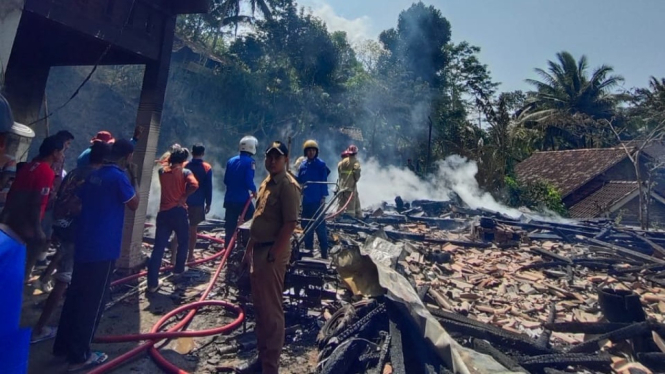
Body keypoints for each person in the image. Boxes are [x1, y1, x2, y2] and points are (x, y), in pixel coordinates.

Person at [53, 139, 139, 371]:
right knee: (93, 303)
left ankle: (61, 347)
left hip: (84, 243)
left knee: (75, 297)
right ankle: (80, 356)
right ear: (128, 157)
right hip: (103, 248)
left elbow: (79, 202)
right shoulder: (119, 177)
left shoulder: (93, 174)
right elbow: (134, 204)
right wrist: (134, 178)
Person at [31, 142, 111, 343]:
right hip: (76, 232)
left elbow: (59, 197)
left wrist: (58, 224)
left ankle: (58, 319)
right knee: (64, 280)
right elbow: (81, 206)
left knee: (68, 276)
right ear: (105, 160)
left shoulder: (75, 172)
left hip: (62, 226)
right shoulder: (94, 178)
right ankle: (40, 328)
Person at [237, 141, 300, 374]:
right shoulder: (266, 183)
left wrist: (274, 253)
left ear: (285, 160)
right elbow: (259, 220)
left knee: (272, 313)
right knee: (261, 309)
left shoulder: (287, 186)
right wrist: (248, 251)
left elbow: (290, 223)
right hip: (259, 250)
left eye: (277, 157)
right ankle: (261, 361)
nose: (272, 161)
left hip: (273, 252)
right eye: (269, 157)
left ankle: (270, 367)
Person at [0, 136, 65, 281]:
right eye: (61, 152)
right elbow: (36, 201)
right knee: (24, 264)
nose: (62, 156)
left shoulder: (29, 166)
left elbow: (16, 194)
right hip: (26, 226)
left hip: (12, 220)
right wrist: (37, 229)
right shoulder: (46, 172)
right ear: (54, 152)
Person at [147, 145, 199, 292]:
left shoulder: (161, 171)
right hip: (178, 211)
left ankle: (152, 284)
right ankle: (178, 271)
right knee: (183, 241)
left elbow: (165, 167)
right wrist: (184, 196)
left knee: (158, 247)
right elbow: (194, 185)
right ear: (183, 160)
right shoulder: (185, 172)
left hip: (163, 213)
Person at [296, 140, 330, 259]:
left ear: (316, 152)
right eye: (309, 150)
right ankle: (308, 252)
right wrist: (289, 174)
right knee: (307, 226)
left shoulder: (321, 165)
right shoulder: (303, 165)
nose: (311, 152)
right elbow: (299, 180)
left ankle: (324, 253)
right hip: (306, 201)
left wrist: (323, 197)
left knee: (320, 227)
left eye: (313, 150)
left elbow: (324, 182)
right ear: (306, 152)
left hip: (317, 200)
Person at [223, 136, 258, 247]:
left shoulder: (230, 161)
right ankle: (245, 247)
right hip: (243, 200)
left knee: (230, 227)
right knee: (250, 221)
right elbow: (248, 180)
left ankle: (228, 251)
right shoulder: (250, 162)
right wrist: (254, 190)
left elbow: (226, 180)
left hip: (229, 199)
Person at [184, 144, 212, 262]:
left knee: (179, 229)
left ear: (191, 152)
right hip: (198, 202)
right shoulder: (206, 167)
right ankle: (190, 256)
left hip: (183, 201)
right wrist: (208, 203)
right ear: (203, 153)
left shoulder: (185, 165)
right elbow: (208, 187)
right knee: (193, 229)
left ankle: (175, 257)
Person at [76, 127, 143, 168]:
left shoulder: (88, 153)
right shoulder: (97, 155)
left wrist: (134, 139)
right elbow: (121, 152)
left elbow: (123, 149)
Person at [337, 144, 362, 219]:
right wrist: (355, 179)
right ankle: (350, 220)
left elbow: (339, 172)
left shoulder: (342, 162)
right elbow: (357, 172)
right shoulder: (356, 162)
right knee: (350, 206)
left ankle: (338, 217)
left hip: (341, 187)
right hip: (350, 187)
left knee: (341, 203)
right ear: (356, 153)